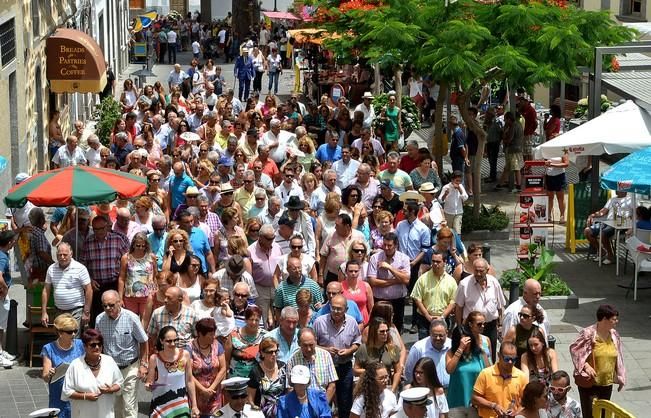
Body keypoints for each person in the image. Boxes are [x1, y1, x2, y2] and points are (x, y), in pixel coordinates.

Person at [95, 290, 149, 418]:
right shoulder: (99, 319)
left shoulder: (131, 318)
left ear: (119, 302)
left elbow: (143, 340)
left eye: (111, 305)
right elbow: (97, 343)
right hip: (111, 369)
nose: (108, 308)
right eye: (105, 306)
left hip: (130, 367)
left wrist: (143, 364)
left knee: (129, 406)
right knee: (115, 406)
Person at [569, 304, 625, 418]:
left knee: (604, 414)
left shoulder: (614, 334)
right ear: (604, 319)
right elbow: (575, 350)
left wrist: (620, 376)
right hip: (590, 383)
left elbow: (618, 355)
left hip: (606, 383)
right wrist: (586, 366)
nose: (616, 321)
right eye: (614, 319)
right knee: (590, 415)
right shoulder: (588, 333)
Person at [313, 294, 361, 418]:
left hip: (344, 366)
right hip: (324, 368)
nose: (335, 311)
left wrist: (349, 351)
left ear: (346, 309)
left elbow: (357, 342)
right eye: (333, 308)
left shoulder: (352, 322)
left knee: (345, 402)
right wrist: (326, 350)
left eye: (339, 309)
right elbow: (312, 344)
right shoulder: (319, 322)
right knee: (324, 400)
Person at [61, 329, 124, 418]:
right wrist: (85, 396)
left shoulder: (109, 361)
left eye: (99, 344)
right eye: (93, 345)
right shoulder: (75, 365)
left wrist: (110, 390)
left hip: (105, 413)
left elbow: (119, 383)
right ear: (84, 346)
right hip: (82, 414)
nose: (97, 347)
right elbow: (67, 391)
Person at [455, 258, 506, 363]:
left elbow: (500, 306)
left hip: (490, 327)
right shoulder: (464, 284)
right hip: (471, 328)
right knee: (472, 356)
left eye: (481, 271)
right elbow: (459, 307)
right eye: (476, 270)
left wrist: (500, 325)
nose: (478, 273)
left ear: (487, 270)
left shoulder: (494, 283)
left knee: (490, 356)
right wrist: (460, 326)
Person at [145, 326, 199, 417]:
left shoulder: (185, 355)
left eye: (175, 340)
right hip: (160, 406)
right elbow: (149, 383)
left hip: (181, 405)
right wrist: (149, 386)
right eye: (169, 341)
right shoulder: (154, 359)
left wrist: (194, 405)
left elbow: (189, 381)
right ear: (161, 341)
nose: (173, 344)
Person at [41, 314, 85, 418]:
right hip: (58, 395)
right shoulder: (49, 348)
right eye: (70, 332)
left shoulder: (80, 344)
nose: (74, 334)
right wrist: (50, 374)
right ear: (60, 332)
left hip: (77, 392)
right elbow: (45, 378)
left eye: (75, 331)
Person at [367, 232, 411, 332]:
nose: (386, 248)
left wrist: (390, 268)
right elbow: (372, 281)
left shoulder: (404, 259)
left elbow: (406, 280)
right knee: (378, 329)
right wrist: (396, 280)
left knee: (396, 330)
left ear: (396, 245)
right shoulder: (375, 258)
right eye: (384, 245)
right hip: (380, 300)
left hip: (397, 301)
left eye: (389, 245)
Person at [472, 341, 528, 418]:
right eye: (507, 359)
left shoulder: (521, 376)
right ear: (499, 355)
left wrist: (516, 412)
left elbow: (525, 403)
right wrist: (493, 406)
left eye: (513, 359)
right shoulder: (486, 374)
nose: (510, 362)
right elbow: (474, 398)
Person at [412, 250, 457, 339]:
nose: (435, 264)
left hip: (443, 320)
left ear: (445, 262)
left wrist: (443, 316)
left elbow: (453, 301)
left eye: (438, 261)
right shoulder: (423, 279)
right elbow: (417, 298)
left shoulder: (451, 281)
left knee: (442, 348)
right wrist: (427, 315)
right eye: (433, 261)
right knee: (424, 348)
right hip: (424, 320)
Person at [447, 325, 489, 418]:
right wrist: (460, 349)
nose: (465, 344)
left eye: (467, 341)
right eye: (462, 341)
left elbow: (488, 374)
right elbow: (449, 370)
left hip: (476, 402)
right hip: (456, 402)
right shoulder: (451, 353)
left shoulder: (480, 354)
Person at [187, 317, 227, 415]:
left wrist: (211, 389)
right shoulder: (189, 348)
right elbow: (189, 374)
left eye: (214, 333)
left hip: (214, 395)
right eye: (210, 334)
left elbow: (223, 368)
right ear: (200, 334)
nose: (214, 337)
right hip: (196, 395)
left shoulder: (218, 345)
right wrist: (203, 390)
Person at [286, 327, 338, 399]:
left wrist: (323, 405)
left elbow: (332, 385)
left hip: (322, 400)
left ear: (316, 341)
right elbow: (290, 388)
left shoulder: (325, 355)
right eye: (305, 345)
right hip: (301, 402)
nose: (309, 349)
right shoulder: (292, 360)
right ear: (298, 343)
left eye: (311, 345)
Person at [353, 317, 402, 393]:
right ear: (374, 332)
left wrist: (393, 389)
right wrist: (373, 372)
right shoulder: (364, 349)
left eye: (387, 331)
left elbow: (398, 371)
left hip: (387, 387)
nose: (385, 334)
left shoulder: (391, 348)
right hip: (369, 388)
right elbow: (356, 370)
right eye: (382, 332)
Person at [583, 191, 632, 263]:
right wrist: (592, 215)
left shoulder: (631, 200)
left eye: (618, 188)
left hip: (621, 225)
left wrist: (631, 222)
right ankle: (601, 251)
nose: (616, 190)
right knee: (587, 231)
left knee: (603, 234)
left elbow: (637, 213)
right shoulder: (612, 199)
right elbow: (603, 212)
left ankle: (610, 256)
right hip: (608, 222)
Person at [117, 232, 157, 317]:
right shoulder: (126, 257)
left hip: (147, 295)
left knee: (145, 322)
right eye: (138, 245)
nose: (141, 248)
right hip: (130, 295)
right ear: (133, 245)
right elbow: (121, 278)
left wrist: (156, 292)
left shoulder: (151, 257)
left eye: (143, 246)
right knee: (131, 321)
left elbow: (155, 276)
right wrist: (120, 298)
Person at [405, 319, 451, 390]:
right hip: (428, 391)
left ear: (447, 333)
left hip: (450, 390)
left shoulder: (452, 346)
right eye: (435, 335)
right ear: (430, 333)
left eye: (441, 335)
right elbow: (409, 372)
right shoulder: (418, 348)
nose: (438, 338)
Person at [247, 336, 287, 416]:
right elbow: (250, 399)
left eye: (276, 351)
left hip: (282, 413)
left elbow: (288, 392)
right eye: (270, 352)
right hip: (262, 414)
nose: (274, 354)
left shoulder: (283, 367)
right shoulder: (255, 371)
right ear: (262, 353)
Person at [229, 305, 267, 378]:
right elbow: (226, 359)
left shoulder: (265, 336)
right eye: (251, 319)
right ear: (245, 320)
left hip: (256, 379)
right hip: (235, 378)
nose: (253, 322)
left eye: (257, 320)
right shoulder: (233, 334)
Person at [341, 260, 373, 325]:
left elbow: (371, 307)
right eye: (350, 271)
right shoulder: (340, 286)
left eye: (356, 271)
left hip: (364, 320)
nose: (353, 273)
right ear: (346, 272)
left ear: (359, 271)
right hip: (346, 321)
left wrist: (369, 322)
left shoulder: (366, 286)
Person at [439, 170, 469, 235]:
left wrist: (460, 190)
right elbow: (440, 200)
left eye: (460, 181)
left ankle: (458, 244)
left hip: (458, 212)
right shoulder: (446, 187)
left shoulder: (460, 186)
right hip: (448, 212)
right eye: (456, 181)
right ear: (452, 180)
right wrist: (445, 194)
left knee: (457, 230)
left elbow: (465, 198)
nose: (458, 183)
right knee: (448, 231)